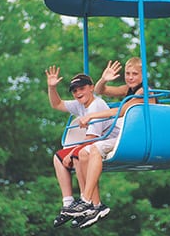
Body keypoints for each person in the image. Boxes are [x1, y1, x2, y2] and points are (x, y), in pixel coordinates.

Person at [65, 57, 156, 228]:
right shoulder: (129, 89)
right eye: (128, 74)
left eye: (135, 74)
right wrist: (104, 79)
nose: (130, 77)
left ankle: (86, 199)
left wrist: (92, 115)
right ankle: (94, 205)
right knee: (83, 152)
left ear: (143, 75)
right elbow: (101, 90)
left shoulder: (144, 92)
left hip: (137, 136)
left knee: (94, 149)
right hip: (127, 133)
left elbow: (122, 111)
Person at [45, 65, 120, 228]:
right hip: (95, 142)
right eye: (75, 91)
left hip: (110, 140)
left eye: (82, 89)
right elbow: (57, 104)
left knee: (78, 154)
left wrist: (71, 152)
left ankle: (91, 204)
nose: (78, 93)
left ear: (91, 88)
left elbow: (91, 139)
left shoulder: (96, 105)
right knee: (58, 157)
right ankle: (68, 203)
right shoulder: (80, 104)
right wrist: (52, 87)